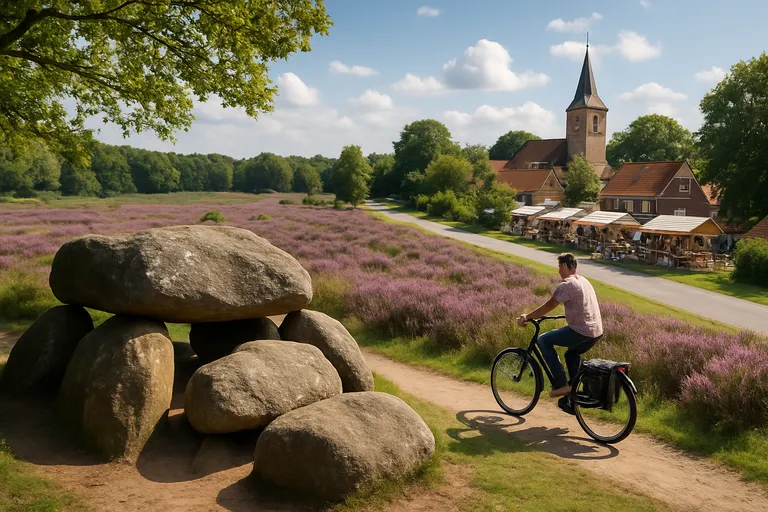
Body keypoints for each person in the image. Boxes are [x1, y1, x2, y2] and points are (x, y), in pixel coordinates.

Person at [516, 253, 603, 398]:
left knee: (543, 340)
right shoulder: (584, 281)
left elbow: (549, 305)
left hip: (581, 331)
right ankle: (573, 393)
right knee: (571, 354)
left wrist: (528, 316)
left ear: (563, 266)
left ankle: (561, 384)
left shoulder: (567, 284)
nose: (558, 271)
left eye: (559, 267)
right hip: (597, 331)